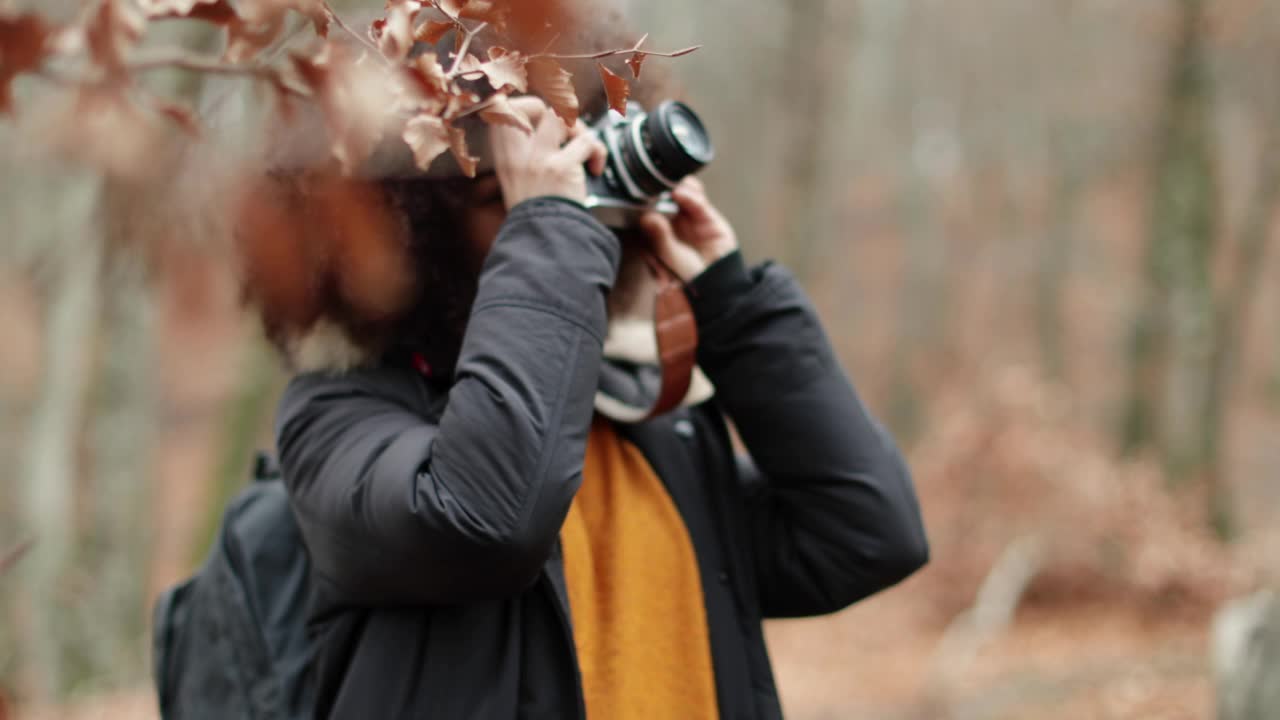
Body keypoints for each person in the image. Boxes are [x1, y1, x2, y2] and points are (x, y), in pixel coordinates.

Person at [264, 92, 929, 719]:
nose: (567, 207)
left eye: (574, 185)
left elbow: (866, 534)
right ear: (414, 226)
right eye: (509, 195)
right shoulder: (338, 417)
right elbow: (485, 521)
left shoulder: (658, 427)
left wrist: (735, 305)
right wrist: (548, 226)